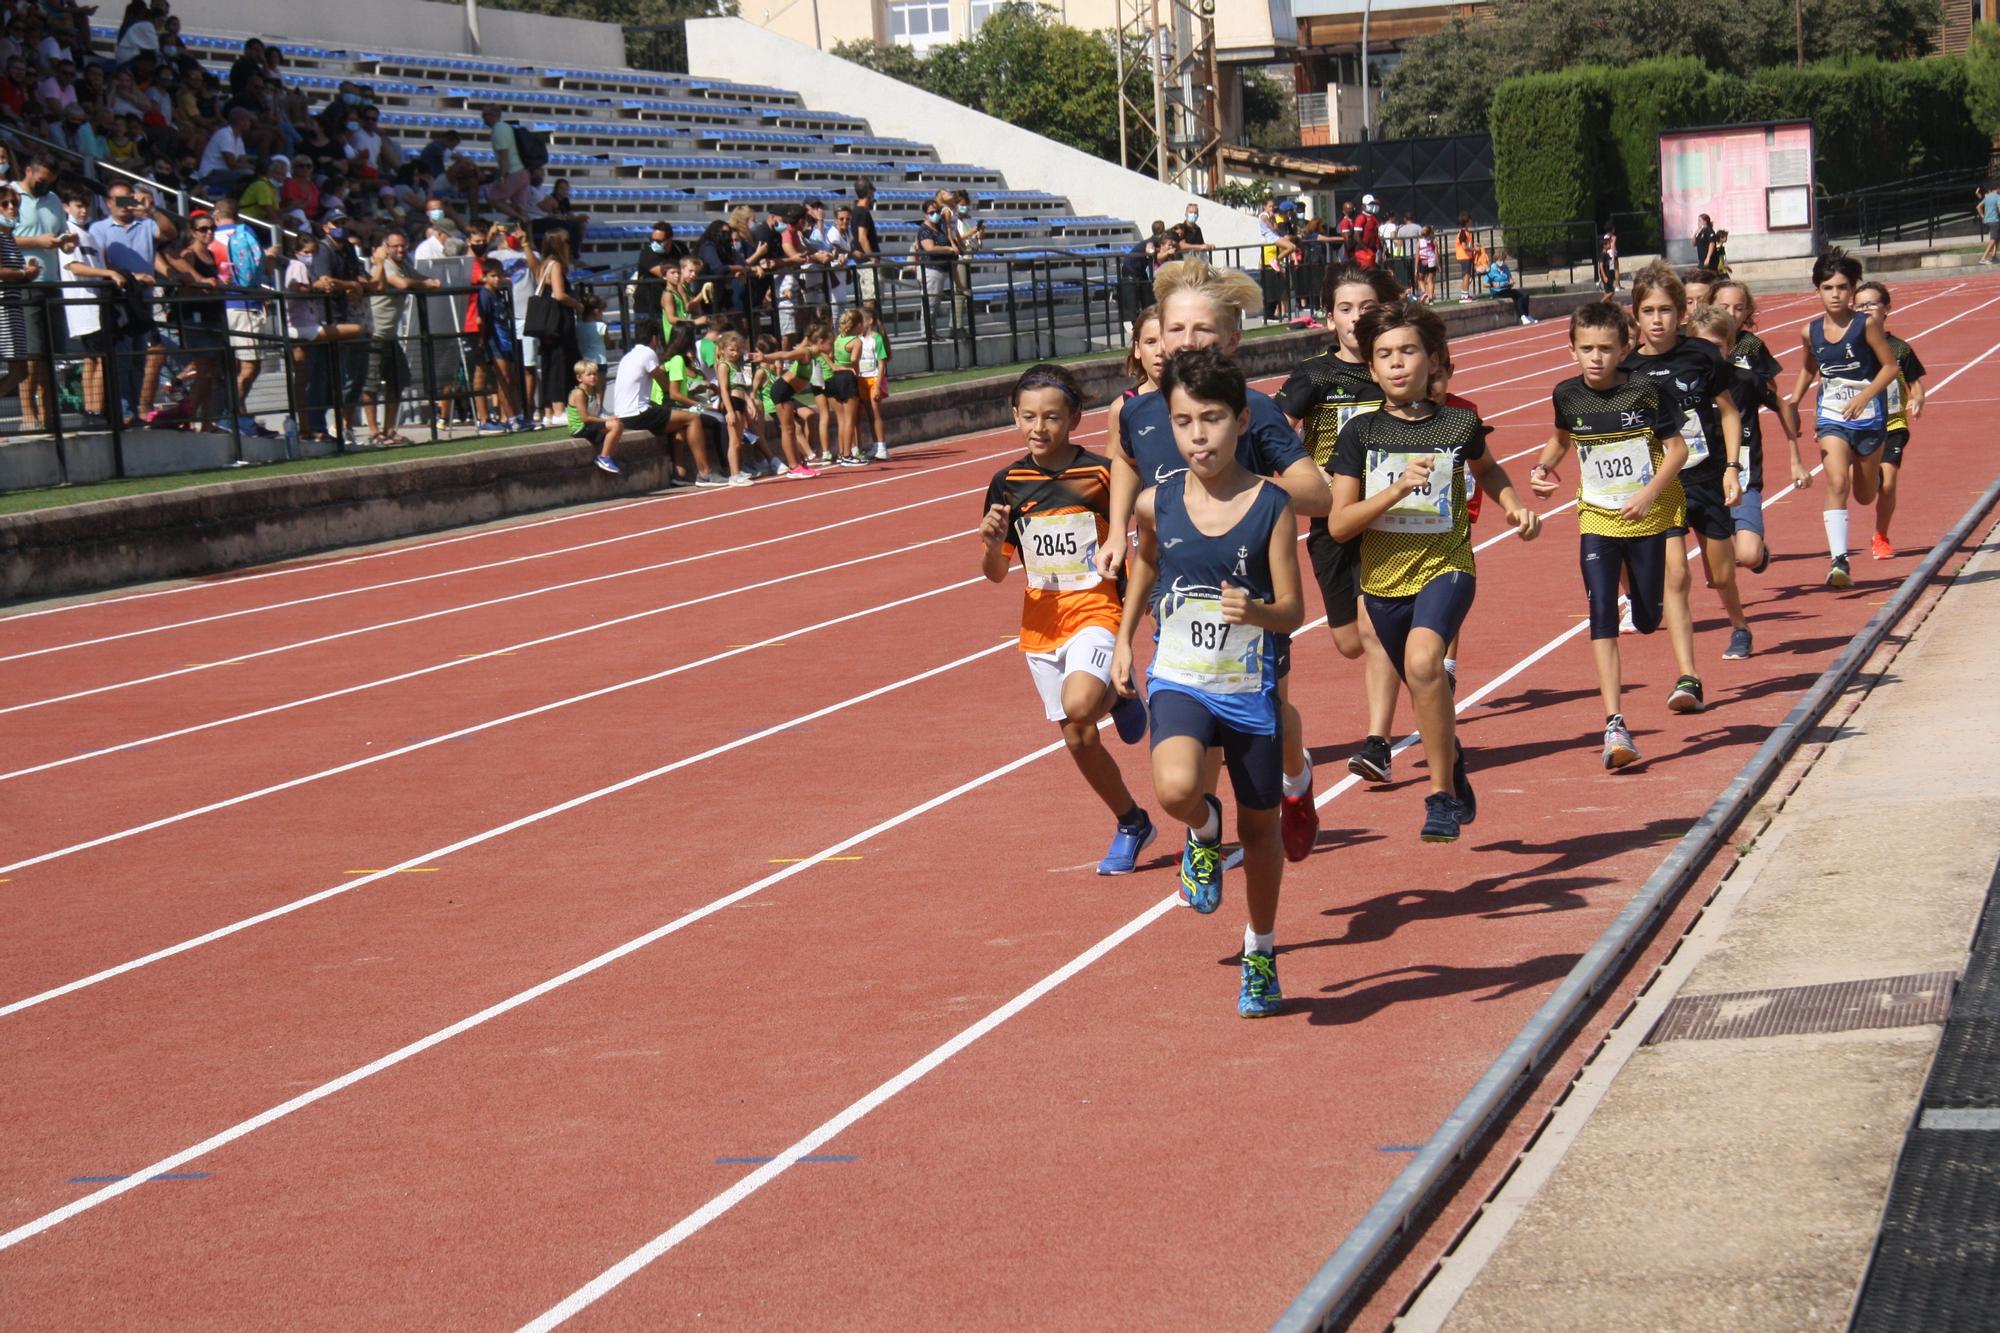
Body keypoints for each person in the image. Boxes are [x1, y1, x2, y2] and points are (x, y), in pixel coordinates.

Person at [1098, 259, 1331, 863]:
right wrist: (1124, 524)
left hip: (1250, 598)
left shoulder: (1252, 407)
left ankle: (1297, 781)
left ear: (1231, 338)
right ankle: (1202, 833)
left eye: (1202, 331)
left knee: (1271, 710)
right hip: (1178, 596)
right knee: (1192, 727)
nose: (1187, 342)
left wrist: (1238, 488)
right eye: (1176, 330)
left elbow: (1318, 493)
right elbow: (1125, 458)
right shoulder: (1139, 410)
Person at [1110, 347, 1304, 1017]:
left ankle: (1261, 949)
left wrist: (1256, 611)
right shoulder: (1153, 502)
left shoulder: (1272, 505)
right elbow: (1145, 569)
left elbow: (1294, 609)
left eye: (1213, 419)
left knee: (1261, 835)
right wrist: (1121, 640)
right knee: (1174, 787)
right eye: (1184, 421)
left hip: (1248, 691)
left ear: (1241, 421)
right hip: (1180, 680)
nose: (1199, 435)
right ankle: (1202, 824)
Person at [1328, 300, 1538, 841]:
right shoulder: (1358, 435)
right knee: (1424, 686)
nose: (1397, 364)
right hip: (1381, 582)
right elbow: (1340, 525)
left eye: (1408, 351)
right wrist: (1395, 489)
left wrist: (1513, 505)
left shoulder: (1458, 423)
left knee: (1426, 662)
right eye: (1385, 355)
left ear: (1432, 360)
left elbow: (1488, 471)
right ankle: (1452, 757)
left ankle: (1440, 796)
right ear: (1371, 370)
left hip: (1446, 565)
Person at [981, 362, 1154, 875]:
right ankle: (1130, 821)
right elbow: (995, 573)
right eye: (1029, 416)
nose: (1040, 428)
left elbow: (1136, 537)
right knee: (1078, 737)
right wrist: (992, 542)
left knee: (1081, 707)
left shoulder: (1102, 474)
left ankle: (1118, 689)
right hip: (1041, 623)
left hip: (1100, 608)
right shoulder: (1007, 482)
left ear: (1076, 418)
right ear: (1014, 416)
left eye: (1052, 417)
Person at [1530, 303, 1690, 769]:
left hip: (1649, 514)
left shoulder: (1646, 390)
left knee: (1646, 616)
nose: (1596, 358)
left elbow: (1676, 451)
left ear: (1625, 347)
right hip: (1597, 517)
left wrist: (1647, 494)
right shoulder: (1567, 395)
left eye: (1605, 348)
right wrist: (1544, 468)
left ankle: (1644, 605)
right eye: (1586, 349)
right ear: (1572, 349)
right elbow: (1562, 438)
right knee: (1600, 609)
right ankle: (1615, 722)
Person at [1274, 264, 1406, 785]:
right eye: (1345, 309)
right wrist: (1303, 475)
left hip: (1385, 519)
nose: (1356, 319)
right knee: (1349, 640)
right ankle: (1411, 656)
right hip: (1331, 521)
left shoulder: (1392, 366)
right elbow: (1273, 433)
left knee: (1374, 631)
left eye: (1366, 309)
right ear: (1330, 318)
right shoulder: (1314, 375)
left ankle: (1378, 742)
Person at [1625, 261, 1746, 680]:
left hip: (1706, 476)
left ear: (1681, 313)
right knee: (1676, 574)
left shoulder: (1702, 355)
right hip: (1664, 486)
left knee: (1722, 574)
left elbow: (1730, 413)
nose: (1657, 320)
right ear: (1635, 315)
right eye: (1648, 311)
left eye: (1664, 310)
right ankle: (1687, 675)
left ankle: (1739, 624)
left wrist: (1732, 466)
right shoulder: (1627, 371)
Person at [1790, 248, 1899, 590]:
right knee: (1837, 482)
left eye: (1841, 287)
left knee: (1865, 495)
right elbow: (1810, 368)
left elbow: (1890, 367)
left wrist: (1865, 396)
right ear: (1817, 290)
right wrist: (1793, 400)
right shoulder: (1810, 332)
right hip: (1832, 417)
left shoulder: (1865, 325)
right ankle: (1839, 561)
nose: (1835, 294)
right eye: (1827, 288)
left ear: (1852, 291)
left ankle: (1872, 470)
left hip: (1868, 418)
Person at [1706, 280, 1808, 577]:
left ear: (1748, 311)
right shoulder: (1693, 347)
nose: (1731, 314)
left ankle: (1755, 551)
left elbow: (1774, 394)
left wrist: (1796, 458)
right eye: (1723, 307)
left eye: (1739, 308)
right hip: (1704, 462)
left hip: (1744, 461)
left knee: (1747, 555)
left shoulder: (1751, 347)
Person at [1853, 280, 1925, 559]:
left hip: (1892, 423)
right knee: (1860, 486)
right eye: (1860, 305)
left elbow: (1915, 384)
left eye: (1872, 303)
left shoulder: (1900, 349)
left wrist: (1918, 398)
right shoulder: (1850, 346)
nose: (1866, 309)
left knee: (1888, 483)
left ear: (1887, 310)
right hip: (1857, 424)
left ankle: (1881, 536)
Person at [613, 323, 721, 485]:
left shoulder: (629, 355)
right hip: (643, 411)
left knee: (684, 422)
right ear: (655, 339)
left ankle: (680, 473)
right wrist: (703, 405)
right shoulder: (658, 356)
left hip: (628, 411)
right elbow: (672, 391)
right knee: (699, 419)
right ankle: (707, 472)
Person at [58, 184, 123, 428]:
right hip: (85, 308)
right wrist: (107, 273)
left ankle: (94, 410)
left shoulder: (89, 235)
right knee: (97, 359)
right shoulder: (67, 232)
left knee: (95, 359)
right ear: (66, 207)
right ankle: (95, 410)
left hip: (96, 306)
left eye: (86, 205)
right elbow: (73, 266)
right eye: (78, 205)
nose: (83, 210)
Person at [567, 358, 622, 475]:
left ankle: (608, 457)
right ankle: (603, 457)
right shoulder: (579, 393)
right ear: (579, 378)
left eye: (595, 374)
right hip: (580, 428)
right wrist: (606, 420)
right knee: (615, 426)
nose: (593, 377)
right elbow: (585, 418)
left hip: (588, 425)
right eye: (589, 375)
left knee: (619, 425)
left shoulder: (592, 391)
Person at [854, 304, 891, 461]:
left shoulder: (877, 338)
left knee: (875, 413)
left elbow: (882, 362)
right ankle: (875, 444)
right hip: (861, 378)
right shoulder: (858, 339)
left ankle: (882, 445)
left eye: (860, 321)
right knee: (868, 414)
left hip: (874, 378)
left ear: (868, 321)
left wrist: (877, 385)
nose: (858, 325)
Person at [1483, 247, 1533, 324]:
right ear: (1496, 260)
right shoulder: (1491, 269)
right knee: (1517, 296)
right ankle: (1522, 316)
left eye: (1503, 260)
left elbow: (1510, 279)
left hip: (1506, 288)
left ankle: (1527, 314)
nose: (1502, 262)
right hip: (1498, 292)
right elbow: (1484, 284)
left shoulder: (1505, 267)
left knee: (1525, 294)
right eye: (1500, 260)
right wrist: (1492, 285)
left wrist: (1511, 283)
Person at [1454, 214, 1476, 301]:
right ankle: (1465, 296)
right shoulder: (1463, 233)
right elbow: (1464, 247)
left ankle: (1464, 295)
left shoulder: (1467, 232)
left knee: (1466, 276)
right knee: (1466, 276)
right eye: (1470, 220)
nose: (1471, 222)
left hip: (1467, 256)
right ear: (1467, 222)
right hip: (1464, 256)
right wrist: (1475, 249)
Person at [1594, 231, 1619, 298]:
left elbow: (1611, 266)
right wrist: (1604, 276)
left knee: (1609, 293)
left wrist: (1612, 274)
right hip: (1606, 276)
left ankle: (1609, 306)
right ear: (1604, 246)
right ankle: (1601, 303)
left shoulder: (1607, 254)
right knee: (1611, 292)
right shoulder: (1603, 255)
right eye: (1608, 244)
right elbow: (1601, 266)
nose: (1610, 245)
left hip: (1609, 276)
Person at [1980, 185, 2000, 266]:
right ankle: (1983, 258)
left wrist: (1982, 216)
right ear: (1998, 188)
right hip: (1995, 220)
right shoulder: (1998, 197)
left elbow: (1978, 207)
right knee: (1993, 239)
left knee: (1997, 238)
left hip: (1988, 220)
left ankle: (1994, 256)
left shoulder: (1987, 197)